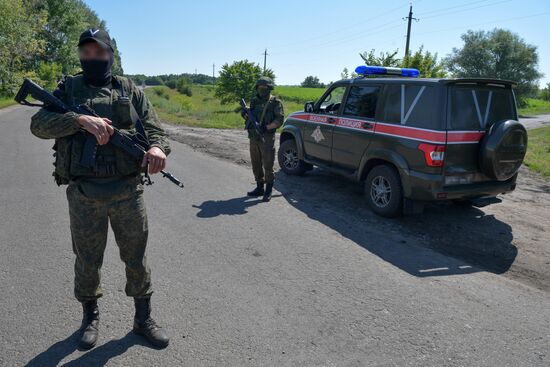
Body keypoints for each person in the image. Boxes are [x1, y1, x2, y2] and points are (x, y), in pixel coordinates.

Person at [30, 29, 170, 349]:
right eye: (87, 53)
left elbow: (153, 128)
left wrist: (158, 148)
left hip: (127, 192)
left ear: (110, 54)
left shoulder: (128, 89)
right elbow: (38, 125)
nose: (93, 58)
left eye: (99, 52)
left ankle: (143, 318)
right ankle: (89, 317)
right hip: (84, 195)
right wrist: (78, 120)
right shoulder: (68, 89)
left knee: (136, 257)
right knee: (87, 259)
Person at [244, 77, 284, 202]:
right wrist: (245, 115)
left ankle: (268, 190)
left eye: (264, 88)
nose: (262, 90)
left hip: (266, 136)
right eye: (260, 87)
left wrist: (266, 127)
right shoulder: (254, 101)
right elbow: (249, 116)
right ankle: (259, 187)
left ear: (269, 88)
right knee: (256, 163)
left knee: (268, 163)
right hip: (253, 137)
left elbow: (279, 120)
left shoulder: (275, 102)